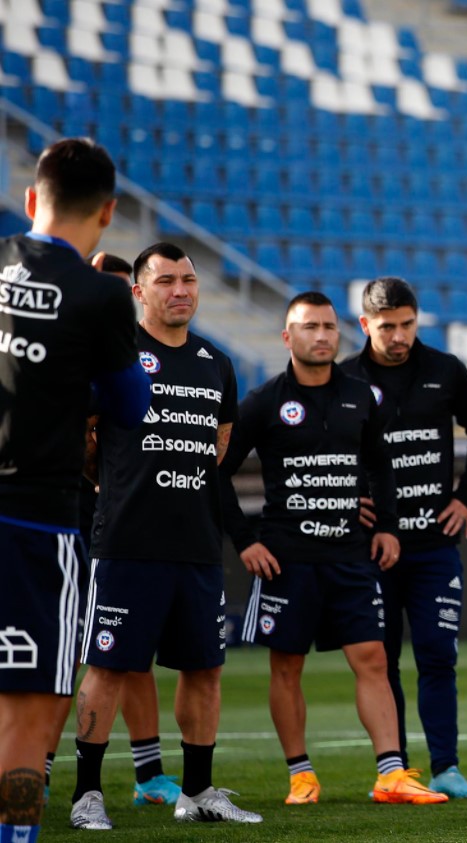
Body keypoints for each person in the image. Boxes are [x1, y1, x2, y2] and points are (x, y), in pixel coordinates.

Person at [219, 291, 445, 806]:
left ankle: (390, 774)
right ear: (287, 337)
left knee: (372, 658)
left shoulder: (359, 395)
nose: (321, 336)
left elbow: (381, 464)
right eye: (308, 327)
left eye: (327, 327)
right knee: (286, 666)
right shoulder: (264, 401)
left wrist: (386, 526)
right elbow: (217, 475)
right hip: (286, 559)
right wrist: (245, 540)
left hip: (350, 554)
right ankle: (301, 776)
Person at [70, 243, 262, 828]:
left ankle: (198, 793)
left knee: (204, 669)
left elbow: (219, 446)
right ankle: (86, 794)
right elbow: (85, 440)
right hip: (128, 540)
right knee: (108, 666)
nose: (180, 290)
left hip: (198, 544)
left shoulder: (217, 362)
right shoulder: (116, 358)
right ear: (139, 292)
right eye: (166, 281)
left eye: (188, 280)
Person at [0, 138, 150, 843]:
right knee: (30, 707)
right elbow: (129, 405)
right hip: (38, 523)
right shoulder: (100, 293)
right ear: (109, 212)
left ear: (32, 199)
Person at [340, 277, 467, 798]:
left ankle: (446, 767)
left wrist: (466, 496)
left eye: (407, 324)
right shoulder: (345, 379)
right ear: (365, 325)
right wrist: (346, 501)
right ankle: (396, 769)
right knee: (381, 662)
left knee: (436, 654)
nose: (399, 335)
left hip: (433, 545)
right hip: (372, 549)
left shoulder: (445, 370)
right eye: (387, 327)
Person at [42, 253, 179, 810]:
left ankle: (148, 773)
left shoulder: (137, 357)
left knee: (131, 651)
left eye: (123, 291)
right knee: (63, 651)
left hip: (119, 519)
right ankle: (39, 766)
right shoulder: (69, 350)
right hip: (55, 514)